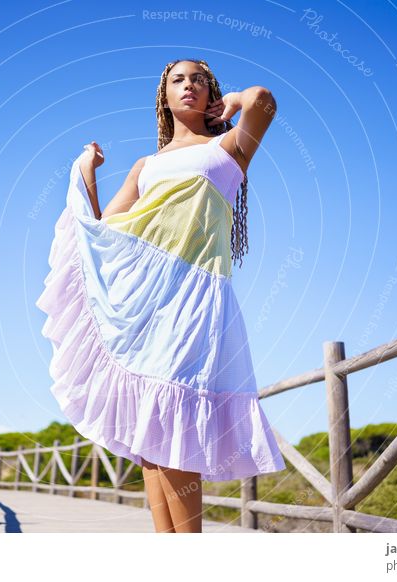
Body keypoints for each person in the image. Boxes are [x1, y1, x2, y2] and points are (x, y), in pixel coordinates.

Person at [35, 59, 286, 533]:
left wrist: (230, 102)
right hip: (146, 305)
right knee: (153, 436)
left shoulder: (229, 148)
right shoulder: (145, 165)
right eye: (178, 80)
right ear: (163, 96)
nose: (189, 85)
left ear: (211, 90)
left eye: (199, 79)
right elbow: (102, 233)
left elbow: (262, 101)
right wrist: (87, 170)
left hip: (196, 299)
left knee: (177, 428)